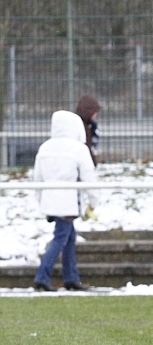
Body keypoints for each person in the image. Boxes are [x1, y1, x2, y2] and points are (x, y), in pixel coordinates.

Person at [32, 110, 98, 292]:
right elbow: (88, 178)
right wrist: (93, 202)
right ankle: (42, 276)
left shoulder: (45, 147)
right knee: (61, 238)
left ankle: (71, 278)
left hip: (50, 200)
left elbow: (37, 178)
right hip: (69, 202)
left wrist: (41, 200)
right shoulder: (78, 149)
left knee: (69, 237)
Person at [75, 94, 101, 166]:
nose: (95, 115)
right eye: (94, 112)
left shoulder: (90, 125)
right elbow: (87, 148)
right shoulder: (83, 127)